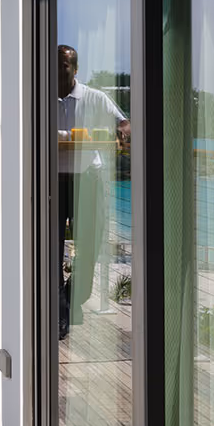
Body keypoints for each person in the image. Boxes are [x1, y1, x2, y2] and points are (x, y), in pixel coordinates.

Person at [56, 44, 130, 339]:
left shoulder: (94, 98)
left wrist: (125, 131)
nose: (58, 70)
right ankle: (61, 311)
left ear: (75, 69)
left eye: (63, 65)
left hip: (88, 179)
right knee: (49, 249)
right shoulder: (37, 97)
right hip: (51, 180)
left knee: (89, 248)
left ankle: (71, 297)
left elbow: (123, 123)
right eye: (54, 65)